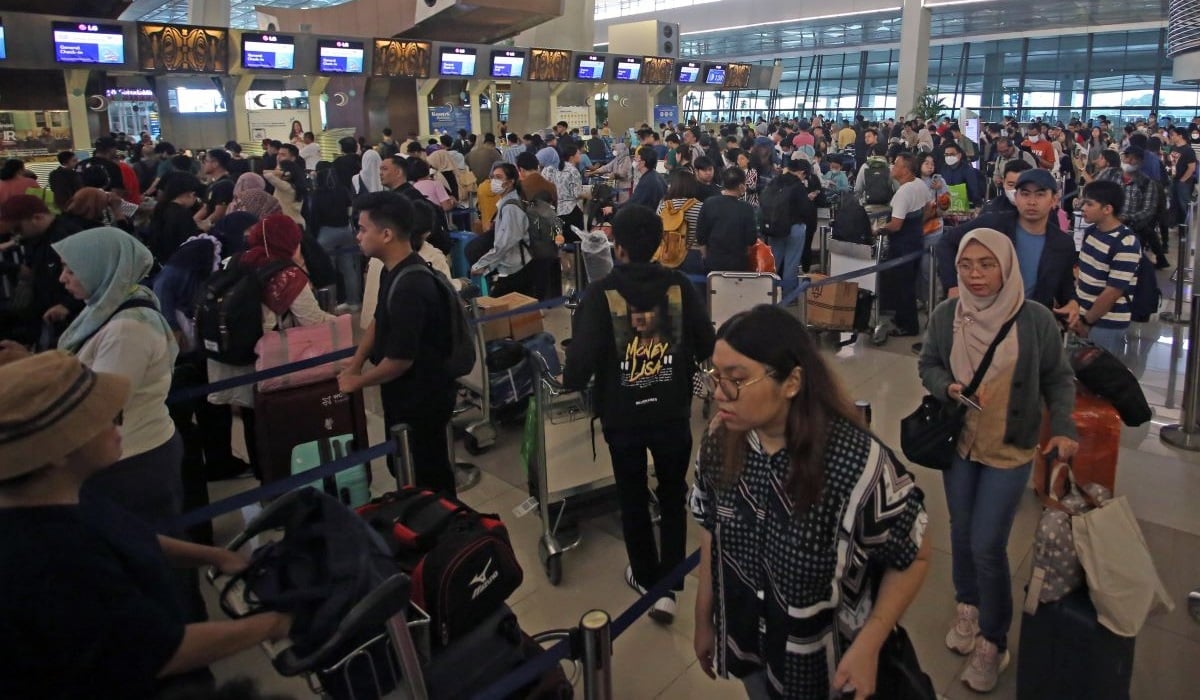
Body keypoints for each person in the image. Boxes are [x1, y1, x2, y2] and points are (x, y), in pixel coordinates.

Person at [0, 351, 292, 698]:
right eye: (98, 415)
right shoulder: (48, 558)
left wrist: (215, 556)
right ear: (58, 449)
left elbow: (128, 536)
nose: (117, 419)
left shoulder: (64, 494)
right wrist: (274, 623)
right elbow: (163, 653)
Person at [691, 304, 930, 699]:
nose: (719, 394)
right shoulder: (720, 444)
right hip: (750, 642)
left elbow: (915, 553)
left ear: (791, 382)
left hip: (827, 667)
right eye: (716, 377)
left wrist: (870, 644)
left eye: (736, 379)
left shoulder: (855, 465)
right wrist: (705, 619)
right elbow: (710, 530)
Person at [918, 228, 1077, 692]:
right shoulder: (949, 314)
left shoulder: (1035, 320)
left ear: (1006, 267)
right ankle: (967, 605)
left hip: (1010, 445)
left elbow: (1058, 379)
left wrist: (1065, 428)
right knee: (962, 533)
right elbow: (927, 363)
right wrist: (943, 386)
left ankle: (994, 638)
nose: (976, 275)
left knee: (988, 543)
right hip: (959, 444)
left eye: (987, 265)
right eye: (967, 265)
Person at [563, 205, 714, 625]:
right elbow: (706, 344)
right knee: (671, 492)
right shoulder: (681, 285)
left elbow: (577, 370)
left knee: (631, 495)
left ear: (618, 246)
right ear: (661, 243)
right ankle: (672, 587)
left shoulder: (600, 294)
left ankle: (647, 579)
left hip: (622, 416)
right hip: (672, 412)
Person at [340, 192, 457, 496]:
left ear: (387, 234)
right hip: (404, 392)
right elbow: (380, 320)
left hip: (422, 396)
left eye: (363, 229)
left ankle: (443, 530)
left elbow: (400, 360)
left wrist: (358, 382)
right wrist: (355, 363)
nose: (358, 236)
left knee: (427, 475)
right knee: (403, 466)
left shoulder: (411, 285)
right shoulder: (394, 270)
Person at [206, 215, 333, 478]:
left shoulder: (234, 260)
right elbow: (312, 320)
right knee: (274, 421)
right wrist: (339, 322)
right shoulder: (286, 273)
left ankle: (265, 481)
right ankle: (282, 479)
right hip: (267, 360)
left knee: (252, 421)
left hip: (233, 354)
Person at [938, 169, 1079, 320]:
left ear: (1054, 200)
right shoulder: (993, 224)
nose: (1032, 202)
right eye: (1025, 194)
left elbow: (1065, 284)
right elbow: (947, 242)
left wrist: (1072, 302)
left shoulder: (1062, 244)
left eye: (1040, 194)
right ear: (1016, 197)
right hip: (985, 317)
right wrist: (953, 285)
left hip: (1030, 322)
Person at [1066, 180, 1142, 354]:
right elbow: (1083, 275)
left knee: (1099, 375)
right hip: (1082, 316)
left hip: (1106, 323)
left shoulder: (1126, 243)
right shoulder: (1091, 232)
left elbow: (1112, 292)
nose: (1083, 207)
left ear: (1107, 209)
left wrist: (1088, 322)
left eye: (1089, 204)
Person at [0, 195, 84, 346]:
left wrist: (68, 305)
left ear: (37, 218)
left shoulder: (66, 237)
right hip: (45, 311)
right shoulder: (38, 237)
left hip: (68, 319)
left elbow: (91, 278)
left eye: (18, 229)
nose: (17, 234)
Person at [879, 153, 934, 337]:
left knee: (903, 285)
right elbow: (928, 207)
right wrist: (918, 224)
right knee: (908, 282)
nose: (892, 167)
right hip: (916, 240)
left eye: (896, 164)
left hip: (902, 245)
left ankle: (908, 326)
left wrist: (878, 230)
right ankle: (902, 318)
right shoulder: (919, 184)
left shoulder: (903, 193)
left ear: (905, 170)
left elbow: (896, 225)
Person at [471, 163, 535, 297]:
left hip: (515, 267)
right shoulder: (511, 200)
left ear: (510, 182)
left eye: (499, 177)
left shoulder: (510, 208)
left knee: (501, 310)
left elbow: (504, 243)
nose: (494, 181)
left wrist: (482, 265)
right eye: (493, 177)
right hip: (518, 262)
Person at [309, 162, 361, 312]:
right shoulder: (343, 190)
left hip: (326, 233)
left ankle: (330, 305)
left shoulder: (317, 194)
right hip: (345, 231)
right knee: (349, 269)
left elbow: (314, 218)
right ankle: (354, 302)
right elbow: (350, 211)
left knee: (327, 272)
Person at [695, 166, 757, 273]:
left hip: (713, 262)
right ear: (742, 185)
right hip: (738, 263)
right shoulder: (747, 208)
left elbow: (701, 235)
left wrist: (706, 257)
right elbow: (751, 239)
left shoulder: (709, 203)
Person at [148, 173, 205, 263]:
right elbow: (188, 241)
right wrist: (202, 230)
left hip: (159, 259)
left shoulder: (161, 207)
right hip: (175, 261)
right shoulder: (183, 213)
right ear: (191, 194)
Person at [542, 143, 585, 234]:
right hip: (570, 213)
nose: (580, 155)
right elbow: (576, 194)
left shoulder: (546, 169)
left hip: (552, 212)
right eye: (578, 153)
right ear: (571, 156)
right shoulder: (572, 170)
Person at [195, 149, 235, 230]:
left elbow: (220, 212)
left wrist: (204, 224)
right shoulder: (214, 184)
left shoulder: (225, 184)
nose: (203, 164)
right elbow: (206, 207)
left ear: (215, 164)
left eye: (205, 161)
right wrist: (194, 221)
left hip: (218, 230)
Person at [263, 158, 308, 227]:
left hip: (289, 224)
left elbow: (267, 174)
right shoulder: (292, 186)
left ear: (286, 173)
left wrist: (280, 172)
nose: (275, 171)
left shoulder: (285, 186)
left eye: (278, 169)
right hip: (294, 222)